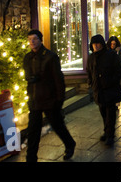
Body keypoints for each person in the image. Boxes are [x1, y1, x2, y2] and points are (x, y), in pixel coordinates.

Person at [23, 30, 76, 162]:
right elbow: (27, 77)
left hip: (49, 99)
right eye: (30, 39)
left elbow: (58, 79)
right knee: (33, 130)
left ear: (40, 40)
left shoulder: (50, 57)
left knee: (57, 125)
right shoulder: (27, 58)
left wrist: (59, 99)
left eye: (34, 39)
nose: (32, 42)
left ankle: (69, 144)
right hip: (35, 100)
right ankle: (31, 158)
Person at [87, 34, 121, 146]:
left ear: (102, 44)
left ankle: (110, 135)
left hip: (110, 90)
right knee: (103, 113)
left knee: (110, 114)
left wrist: (112, 81)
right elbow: (89, 71)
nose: (96, 46)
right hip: (98, 90)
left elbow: (120, 70)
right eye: (94, 44)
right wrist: (91, 83)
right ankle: (106, 131)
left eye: (98, 43)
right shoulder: (91, 57)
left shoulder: (111, 55)